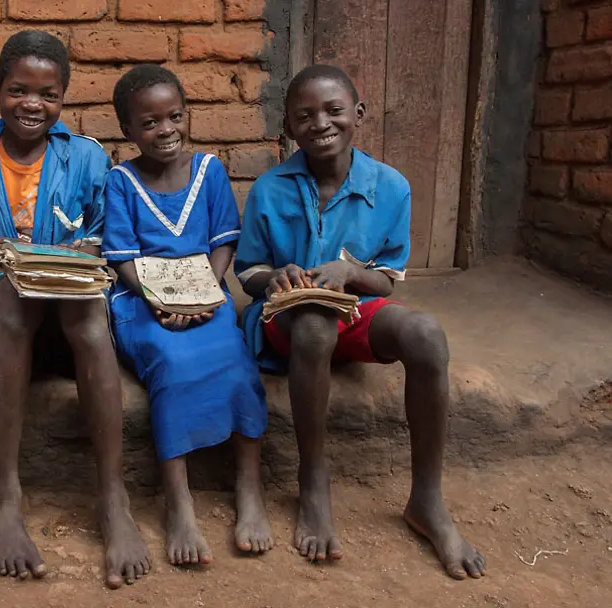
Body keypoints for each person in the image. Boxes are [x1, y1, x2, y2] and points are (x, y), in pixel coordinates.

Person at [235, 64, 487, 580]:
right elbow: (248, 271)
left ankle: (427, 500)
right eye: (303, 116)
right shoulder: (270, 189)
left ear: (359, 114)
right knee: (312, 326)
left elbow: (387, 280)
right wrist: (277, 277)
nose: (320, 123)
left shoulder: (390, 187)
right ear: (287, 127)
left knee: (425, 334)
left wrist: (350, 272)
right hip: (290, 321)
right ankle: (313, 478)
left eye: (333, 110)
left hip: (354, 313)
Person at [0, 31, 151, 589]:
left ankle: (113, 495)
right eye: (18, 90)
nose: (32, 104)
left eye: (48, 94)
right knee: (16, 298)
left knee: (86, 306)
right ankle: (5, 492)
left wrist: (79, 256)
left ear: (63, 97)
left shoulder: (85, 156)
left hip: (70, 302)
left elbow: (105, 237)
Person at [103, 65, 273, 566]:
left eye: (175, 116)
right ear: (128, 131)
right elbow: (122, 258)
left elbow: (224, 243)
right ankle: (178, 499)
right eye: (150, 122)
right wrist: (162, 299)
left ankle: (249, 487)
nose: (166, 130)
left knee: (237, 363)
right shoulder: (121, 181)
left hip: (208, 298)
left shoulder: (209, 171)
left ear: (188, 116)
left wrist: (206, 293)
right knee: (171, 365)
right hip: (143, 302)